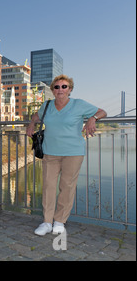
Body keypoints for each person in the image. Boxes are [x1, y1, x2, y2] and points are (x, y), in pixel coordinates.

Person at [26, 75, 107, 236]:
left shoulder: (79, 104)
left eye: (64, 87)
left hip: (73, 153)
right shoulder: (47, 105)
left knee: (66, 187)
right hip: (50, 152)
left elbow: (102, 111)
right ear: (53, 90)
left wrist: (93, 118)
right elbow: (37, 115)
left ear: (70, 89)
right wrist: (31, 123)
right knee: (48, 187)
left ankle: (60, 221)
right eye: (57, 87)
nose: (60, 90)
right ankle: (47, 222)